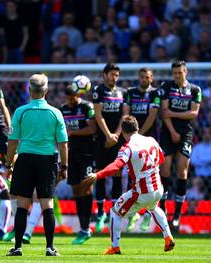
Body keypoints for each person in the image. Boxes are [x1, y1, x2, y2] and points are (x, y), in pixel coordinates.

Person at [83, 115, 174, 255]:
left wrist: (97, 174)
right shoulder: (151, 140)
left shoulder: (128, 147)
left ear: (123, 132)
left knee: (115, 212)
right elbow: (161, 159)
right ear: (137, 128)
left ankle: (115, 247)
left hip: (141, 192)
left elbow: (116, 166)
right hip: (158, 189)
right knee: (154, 208)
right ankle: (168, 237)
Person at [5, 74, 68, 257]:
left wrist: (8, 164)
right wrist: (64, 167)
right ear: (46, 90)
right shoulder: (55, 113)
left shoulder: (20, 111)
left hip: (25, 159)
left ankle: (17, 248)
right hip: (47, 160)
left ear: (29, 90)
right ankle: (49, 248)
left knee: (23, 204)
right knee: (46, 204)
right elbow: (63, 143)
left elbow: (12, 141)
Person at [160, 61, 202, 231]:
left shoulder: (195, 90)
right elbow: (164, 112)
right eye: (174, 73)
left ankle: (177, 215)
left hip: (185, 133)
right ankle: (162, 211)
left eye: (179, 72)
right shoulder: (166, 87)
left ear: (186, 72)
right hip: (168, 132)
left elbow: (194, 113)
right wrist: (172, 131)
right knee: (166, 169)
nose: (176, 76)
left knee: (182, 170)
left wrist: (174, 113)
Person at [92, 63, 129, 233]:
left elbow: (125, 115)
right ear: (105, 75)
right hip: (101, 139)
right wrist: (108, 135)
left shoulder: (123, 92)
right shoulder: (98, 91)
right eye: (112, 74)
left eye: (117, 75)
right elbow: (98, 115)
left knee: (116, 174)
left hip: (117, 138)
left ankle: (114, 211)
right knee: (100, 173)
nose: (114, 77)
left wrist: (116, 135)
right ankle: (100, 213)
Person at [124, 67, 161, 231]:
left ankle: (148, 213)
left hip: (149, 139)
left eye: (147, 77)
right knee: (132, 175)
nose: (144, 79)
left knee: (152, 175)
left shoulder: (156, 94)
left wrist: (139, 135)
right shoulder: (130, 92)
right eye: (141, 77)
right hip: (133, 140)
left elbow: (153, 116)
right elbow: (127, 114)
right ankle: (133, 215)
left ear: (151, 78)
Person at [60, 84, 96, 244]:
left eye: (72, 98)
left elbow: (92, 128)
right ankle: (83, 229)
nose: (70, 101)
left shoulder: (87, 106)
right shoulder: (63, 109)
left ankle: (87, 227)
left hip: (87, 153)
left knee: (86, 187)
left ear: (78, 95)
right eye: (68, 98)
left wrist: (73, 132)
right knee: (75, 189)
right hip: (71, 153)